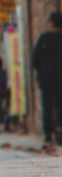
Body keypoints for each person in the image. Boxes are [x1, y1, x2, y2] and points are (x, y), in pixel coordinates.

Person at [32, 11, 62, 150]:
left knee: (47, 106)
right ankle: (60, 131)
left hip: (46, 78)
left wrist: (40, 72)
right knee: (59, 105)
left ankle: (48, 134)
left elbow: (35, 59)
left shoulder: (44, 38)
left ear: (51, 23)